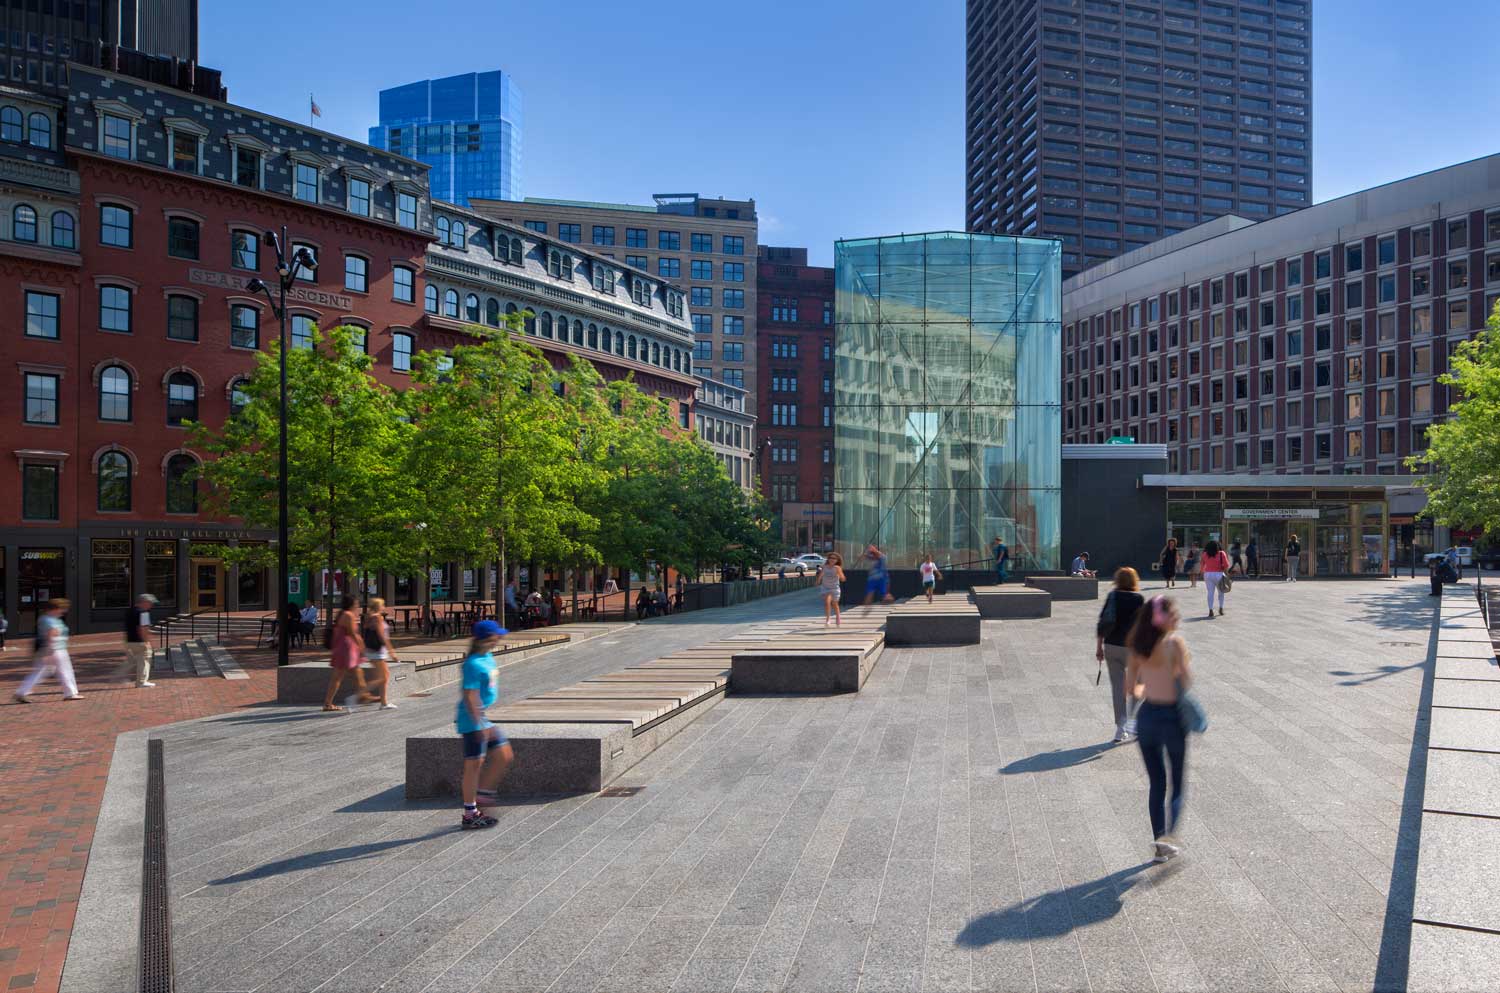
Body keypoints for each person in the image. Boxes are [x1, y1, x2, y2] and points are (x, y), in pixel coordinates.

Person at [1126, 596, 1193, 862]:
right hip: (1171, 718)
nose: (1177, 615)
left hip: (1146, 717)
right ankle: (1167, 839)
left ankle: (1159, 845)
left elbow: (1131, 690)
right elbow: (1186, 681)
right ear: (1163, 617)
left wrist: (1149, 686)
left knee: (1157, 783)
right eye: (1173, 612)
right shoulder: (1174, 644)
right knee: (1176, 783)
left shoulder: (1136, 648)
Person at [456, 619, 514, 829]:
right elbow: (470, 695)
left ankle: (483, 795)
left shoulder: (487, 656)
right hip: (473, 720)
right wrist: (479, 724)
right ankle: (470, 813)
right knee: (473, 766)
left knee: (504, 754)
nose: (499, 637)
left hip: (482, 718)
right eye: (496, 635)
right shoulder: (472, 664)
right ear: (486, 638)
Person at [1096, 568, 1146, 743]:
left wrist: (1099, 647)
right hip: (1133, 649)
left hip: (1111, 646)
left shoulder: (1112, 596)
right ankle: (1134, 722)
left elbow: (1102, 622)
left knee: (1118, 688)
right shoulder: (1138, 599)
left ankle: (1120, 728)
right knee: (1140, 684)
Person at [15, 599, 81, 703]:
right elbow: (51, 635)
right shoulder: (50, 620)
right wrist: (49, 651)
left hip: (53, 649)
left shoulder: (49, 619)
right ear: (55, 609)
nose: (63, 611)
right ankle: (70, 693)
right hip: (55, 649)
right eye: (61, 608)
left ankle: (21, 692)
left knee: (41, 671)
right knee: (65, 671)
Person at [321, 595, 371, 712]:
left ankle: (364, 694)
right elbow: (354, 634)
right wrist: (363, 648)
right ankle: (327, 704)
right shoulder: (348, 615)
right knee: (338, 677)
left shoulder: (344, 614)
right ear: (352, 605)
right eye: (357, 604)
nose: (358, 606)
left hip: (345, 648)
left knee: (357, 672)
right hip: (345, 649)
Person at [361, 598, 398, 710]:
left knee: (383, 677)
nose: (384, 607)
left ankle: (384, 702)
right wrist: (392, 652)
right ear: (378, 606)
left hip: (372, 651)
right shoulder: (377, 617)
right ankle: (358, 696)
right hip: (378, 652)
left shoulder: (369, 617)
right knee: (383, 677)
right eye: (383, 605)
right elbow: (383, 637)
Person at [115, 593, 157, 688]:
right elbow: (143, 628)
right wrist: (147, 641)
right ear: (144, 602)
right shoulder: (144, 613)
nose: (151, 605)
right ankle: (141, 682)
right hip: (140, 641)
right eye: (150, 603)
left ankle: (120, 675)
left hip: (129, 640)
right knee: (144, 660)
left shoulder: (129, 611)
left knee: (132, 661)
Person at [1200, 540, 1231, 618]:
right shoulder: (1221, 553)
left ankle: (1210, 610)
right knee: (1221, 592)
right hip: (1219, 574)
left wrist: (1202, 573)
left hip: (1208, 574)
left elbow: (1202, 565)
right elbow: (1226, 566)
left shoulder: (1204, 554)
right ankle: (1221, 608)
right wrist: (1227, 575)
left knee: (1210, 593)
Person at [816, 553, 846, 626]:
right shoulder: (824, 567)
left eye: (834, 558)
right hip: (825, 588)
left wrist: (841, 576)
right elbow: (821, 576)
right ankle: (828, 619)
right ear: (828, 559)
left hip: (834, 588)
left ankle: (838, 617)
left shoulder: (837, 568)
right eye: (831, 558)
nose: (832, 560)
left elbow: (843, 578)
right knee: (827, 602)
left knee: (834, 604)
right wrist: (818, 581)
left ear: (837, 560)